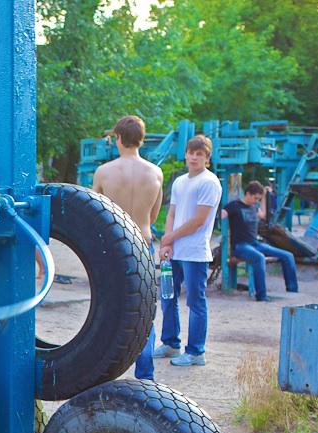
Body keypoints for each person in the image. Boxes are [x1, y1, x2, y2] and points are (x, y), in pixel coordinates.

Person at [93, 115, 163, 381]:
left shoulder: (105, 171)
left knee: (109, 307)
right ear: (141, 140)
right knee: (145, 308)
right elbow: (154, 216)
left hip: (114, 245)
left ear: (118, 138)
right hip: (143, 243)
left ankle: (104, 373)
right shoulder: (155, 172)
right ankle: (145, 374)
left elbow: (95, 212)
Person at [154, 135, 222, 367]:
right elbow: (172, 213)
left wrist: (170, 237)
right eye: (191, 153)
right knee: (167, 297)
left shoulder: (209, 182)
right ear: (185, 154)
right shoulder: (180, 181)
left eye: (199, 154)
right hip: (175, 251)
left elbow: (199, 220)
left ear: (207, 158)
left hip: (195, 253)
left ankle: (195, 352)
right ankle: (171, 344)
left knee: (195, 301)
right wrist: (167, 243)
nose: (194, 157)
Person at [224, 181, 297, 302]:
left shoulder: (254, 206)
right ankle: (261, 296)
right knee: (259, 258)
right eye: (255, 198)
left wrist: (264, 197)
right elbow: (220, 215)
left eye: (258, 198)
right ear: (247, 194)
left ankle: (292, 290)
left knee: (288, 256)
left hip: (254, 243)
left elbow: (262, 215)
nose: (256, 201)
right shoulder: (234, 206)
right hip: (240, 246)